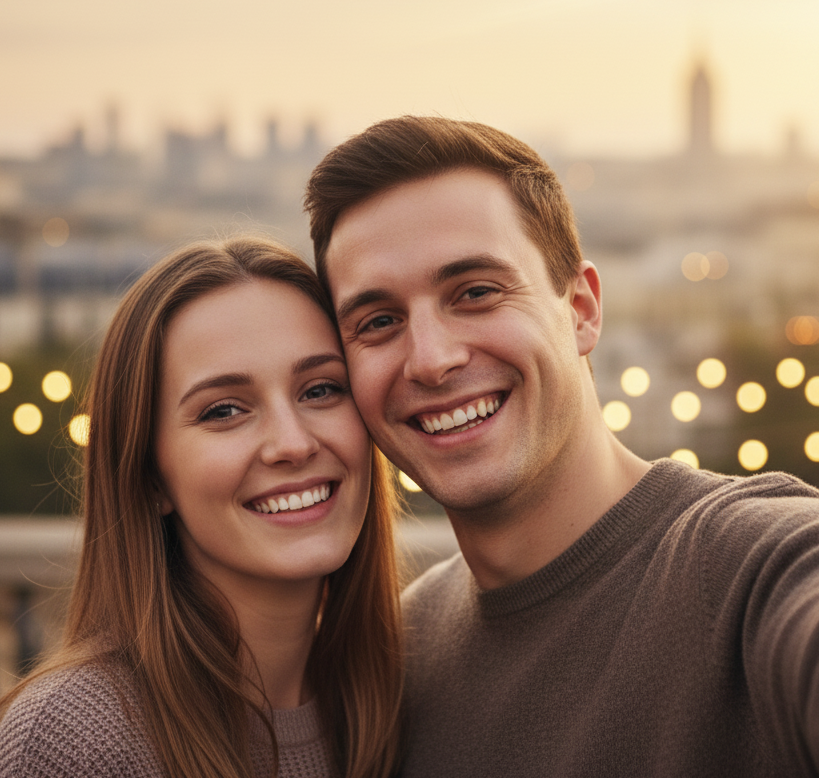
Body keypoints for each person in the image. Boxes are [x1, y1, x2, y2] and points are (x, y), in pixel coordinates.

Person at [304, 115, 819, 777]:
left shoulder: (754, 569)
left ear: (580, 308)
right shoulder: (396, 658)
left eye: (476, 292)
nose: (430, 359)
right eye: (378, 321)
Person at [0, 236, 403, 778]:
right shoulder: (76, 742)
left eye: (320, 390)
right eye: (224, 410)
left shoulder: (397, 702)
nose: (293, 443)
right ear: (150, 477)